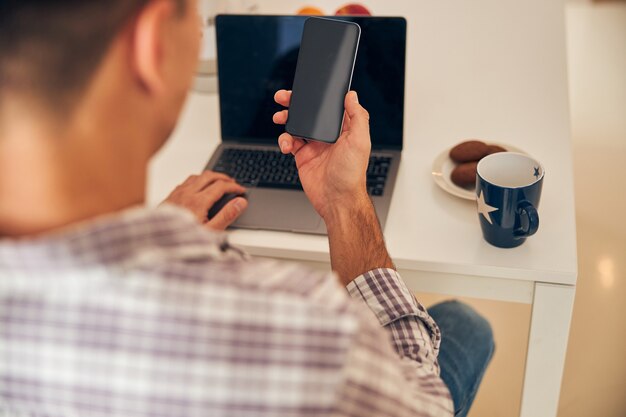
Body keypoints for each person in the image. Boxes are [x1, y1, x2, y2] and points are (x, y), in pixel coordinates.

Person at [0, 1, 493, 416]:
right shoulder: (311, 332)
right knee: (468, 326)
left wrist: (164, 229)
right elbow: (426, 404)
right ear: (150, 46)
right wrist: (345, 202)